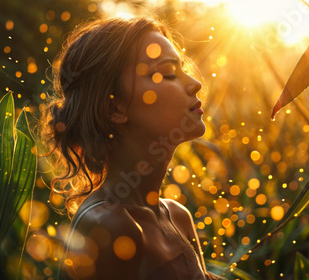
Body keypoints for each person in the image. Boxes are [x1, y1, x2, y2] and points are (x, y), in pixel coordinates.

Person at [40, 16, 222, 280]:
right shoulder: (111, 227)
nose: (195, 84)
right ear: (115, 108)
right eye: (169, 73)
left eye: (183, 70)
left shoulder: (177, 216)